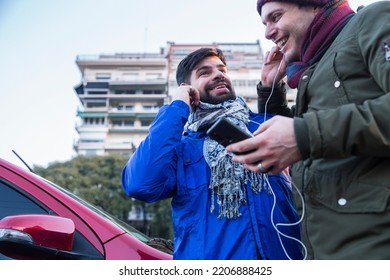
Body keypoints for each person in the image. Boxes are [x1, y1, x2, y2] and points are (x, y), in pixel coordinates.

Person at [227, 0, 390, 259]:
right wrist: (271, 91)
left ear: (314, 5)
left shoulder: (373, 20)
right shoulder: (311, 71)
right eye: (265, 23)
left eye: (276, 17)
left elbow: (307, 136)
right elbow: (303, 146)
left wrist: (304, 135)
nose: (268, 32)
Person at [121, 47, 303, 260]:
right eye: (204, 72)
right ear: (187, 88)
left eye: (222, 69)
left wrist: (271, 88)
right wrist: (178, 105)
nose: (218, 74)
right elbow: (140, 184)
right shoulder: (181, 148)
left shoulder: (265, 126)